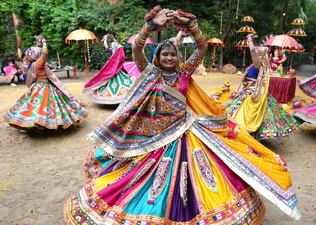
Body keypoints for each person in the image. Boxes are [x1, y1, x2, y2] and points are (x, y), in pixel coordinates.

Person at [64, 7, 300, 224]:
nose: (169, 58)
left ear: (178, 58)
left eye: (173, 55)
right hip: (155, 135)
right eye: (165, 55)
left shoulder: (184, 71)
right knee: (140, 175)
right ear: (158, 57)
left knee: (209, 172)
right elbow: (136, 48)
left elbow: (202, 48)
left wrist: (192, 26)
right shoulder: (151, 73)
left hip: (186, 130)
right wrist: (150, 26)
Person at [4, 35, 88, 130]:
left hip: (36, 87)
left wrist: (38, 43)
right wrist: (44, 42)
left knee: (33, 106)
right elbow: (43, 53)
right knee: (50, 105)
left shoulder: (29, 64)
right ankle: (49, 123)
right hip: (45, 86)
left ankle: (37, 123)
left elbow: (36, 53)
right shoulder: (39, 63)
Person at [225, 34, 298, 139]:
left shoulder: (258, 64)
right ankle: (256, 133)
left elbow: (253, 52)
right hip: (249, 90)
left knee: (248, 115)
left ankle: (249, 133)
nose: (255, 54)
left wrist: (249, 41)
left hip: (252, 92)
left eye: (258, 53)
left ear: (261, 55)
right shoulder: (261, 63)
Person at [83, 34, 140, 105]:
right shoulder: (118, 51)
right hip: (118, 70)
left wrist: (106, 39)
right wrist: (112, 38)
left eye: (111, 45)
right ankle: (122, 97)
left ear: (112, 47)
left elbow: (106, 45)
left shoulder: (111, 51)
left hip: (113, 70)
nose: (110, 45)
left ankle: (113, 97)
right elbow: (118, 45)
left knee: (108, 83)